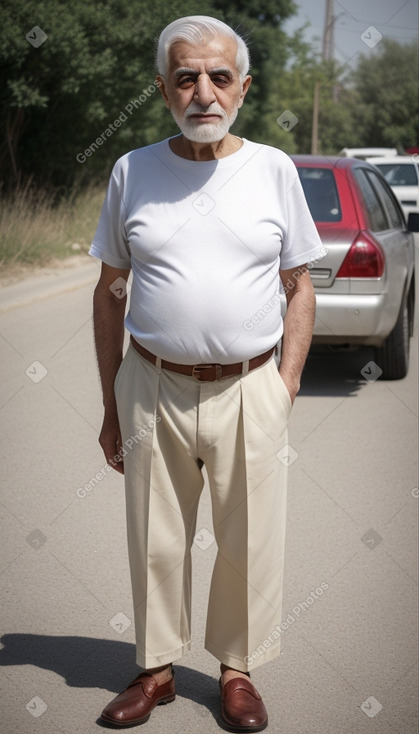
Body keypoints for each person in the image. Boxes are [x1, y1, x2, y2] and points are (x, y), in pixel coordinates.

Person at [89, 15, 323, 732]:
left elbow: (299, 286)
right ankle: (156, 670)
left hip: (250, 385)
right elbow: (108, 290)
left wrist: (283, 383)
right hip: (151, 385)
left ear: (243, 87)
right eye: (185, 76)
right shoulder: (132, 170)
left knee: (247, 537)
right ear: (162, 88)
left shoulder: (274, 169)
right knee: (154, 537)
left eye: (219, 76)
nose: (203, 91)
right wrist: (110, 402)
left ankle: (236, 669)